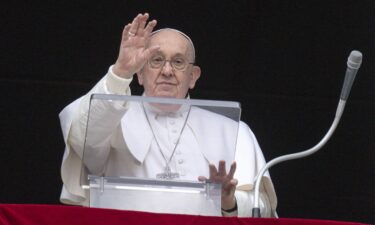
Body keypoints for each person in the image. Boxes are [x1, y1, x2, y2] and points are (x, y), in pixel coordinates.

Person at [59, 13, 277, 217]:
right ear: (140, 74)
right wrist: (121, 71)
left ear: (193, 76)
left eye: (178, 62)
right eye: (156, 60)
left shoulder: (233, 130)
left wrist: (228, 201)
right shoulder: (111, 119)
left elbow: (263, 207)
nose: (167, 71)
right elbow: (82, 139)